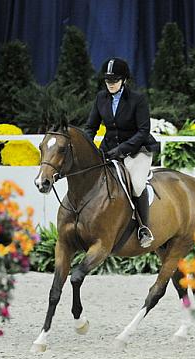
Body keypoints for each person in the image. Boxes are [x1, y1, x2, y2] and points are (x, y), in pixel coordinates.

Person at [84, 57, 159, 248]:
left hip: (137, 149)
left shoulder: (137, 99)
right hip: (109, 149)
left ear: (124, 80)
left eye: (115, 80)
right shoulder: (101, 98)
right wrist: (86, 146)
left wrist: (121, 150)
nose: (110, 84)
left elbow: (143, 131)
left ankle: (144, 228)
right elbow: (91, 127)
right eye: (108, 81)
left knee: (136, 184)